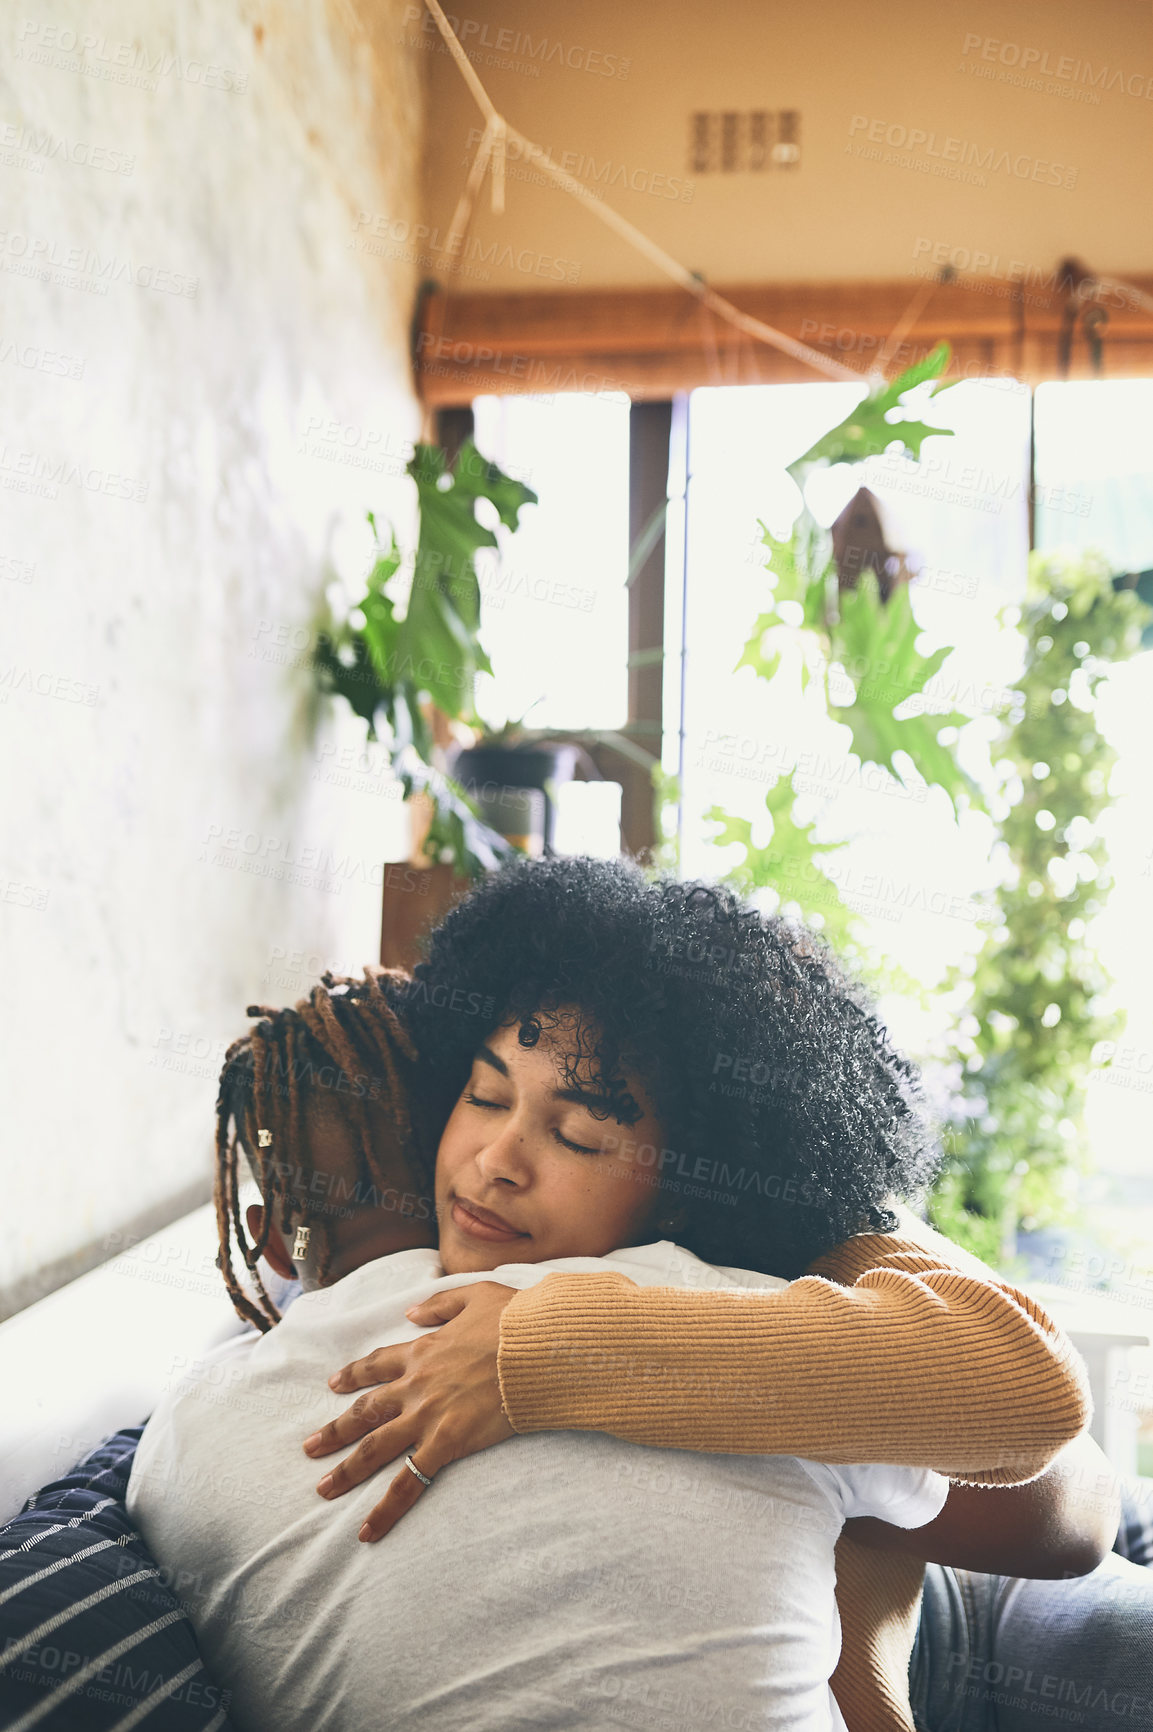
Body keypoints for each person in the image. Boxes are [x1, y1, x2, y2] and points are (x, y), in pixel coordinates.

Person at [129, 968, 954, 1731]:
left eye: (581, 1138)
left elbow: (1041, 1478)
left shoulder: (179, 1438)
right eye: (485, 1097)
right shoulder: (717, 1294)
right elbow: (1018, 1521)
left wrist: (548, 1356)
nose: (496, 1162)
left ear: (268, 1244)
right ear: (435, 1144)